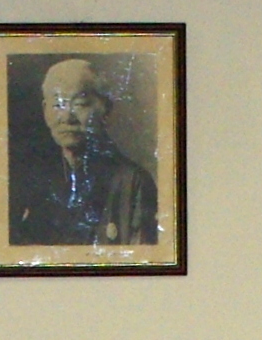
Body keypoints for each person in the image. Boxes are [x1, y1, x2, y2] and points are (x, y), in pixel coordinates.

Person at [12, 58, 158, 248]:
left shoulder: (133, 183)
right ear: (44, 110)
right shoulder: (31, 180)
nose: (66, 117)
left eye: (80, 104)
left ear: (106, 110)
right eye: (57, 105)